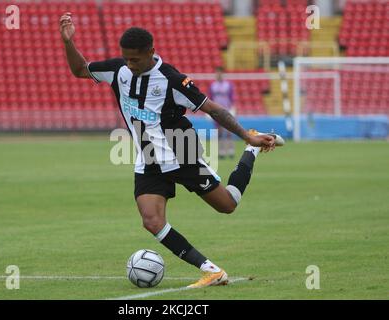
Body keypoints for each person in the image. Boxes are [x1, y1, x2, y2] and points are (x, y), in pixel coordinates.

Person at [59, 13, 284, 288]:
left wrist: (244, 137)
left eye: (135, 59)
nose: (130, 64)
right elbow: (80, 70)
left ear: (151, 52)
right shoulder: (118, 70)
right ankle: (212, 271)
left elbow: (214, 109)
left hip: (181, 152)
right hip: (149, 158)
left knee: (227, 205)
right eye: (126, 58)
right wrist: (69, 42)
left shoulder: (172, 79)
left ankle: (251, 148)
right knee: (151, 221)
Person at [208, 66, 236, 159]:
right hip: (216, 112)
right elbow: (210, 98)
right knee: (219, 132)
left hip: (227, 110)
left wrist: (233, 109)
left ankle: (231, 150)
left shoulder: (228, 85)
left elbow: (232, 98)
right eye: (217, 73)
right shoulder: (212, 85)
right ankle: (221, 151)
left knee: (229, 130)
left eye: (220, 73)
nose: (218, 75)